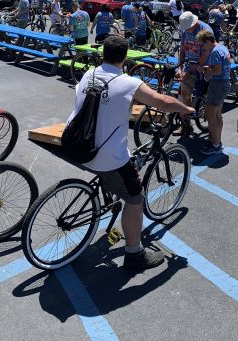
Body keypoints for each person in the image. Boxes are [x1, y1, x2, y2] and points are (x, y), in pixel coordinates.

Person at [66, 36, 194, 272]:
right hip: (104, 157)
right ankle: (134, 254)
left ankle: (109, 189)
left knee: (115, 171)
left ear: (103, 53)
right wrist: (186, 108)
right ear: (125, 57)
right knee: (135, 198)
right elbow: (162, 102)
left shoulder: (89, 74)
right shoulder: (128, 83)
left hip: (75, 144)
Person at [197, 30, 231, 153]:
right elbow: (219, 68)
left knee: (210, 115)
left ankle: (215, 145)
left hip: (218, 85)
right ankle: (216, 140)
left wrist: (205, 70)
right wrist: (208, 68)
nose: (202, 48)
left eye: (202, 45)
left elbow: (217, 71)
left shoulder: (215, 52)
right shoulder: (221, 48)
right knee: (217, 115)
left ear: (208, 41)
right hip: (223, 83)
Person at [176, 12, 212, 120]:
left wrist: (191, 70)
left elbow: (207, 53)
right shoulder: (185, 30)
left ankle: (209, 119)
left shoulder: (205, 30)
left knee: (204, 96)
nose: (187, 29)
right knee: (185, 94)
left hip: (204, 68)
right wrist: (179, 68)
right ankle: (187, 123)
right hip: (189, 66)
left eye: (188, 27)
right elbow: (182, 50)